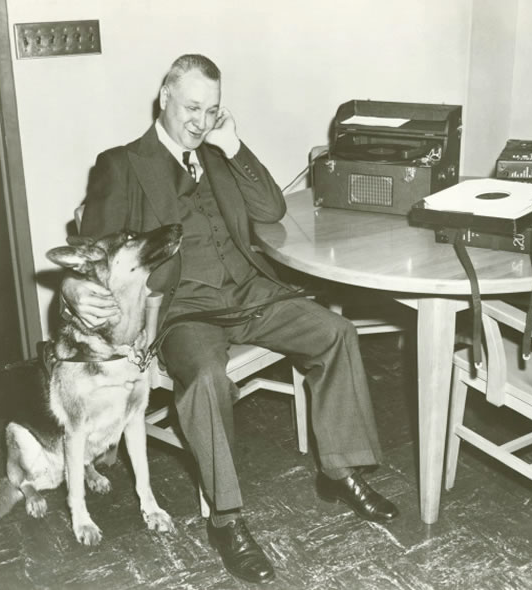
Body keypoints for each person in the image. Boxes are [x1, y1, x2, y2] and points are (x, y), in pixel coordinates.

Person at [62, 54, 398, 584]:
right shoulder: (122, 163)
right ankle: (227, 518)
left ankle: (341, 469)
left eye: (211, 110)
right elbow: (93, 253)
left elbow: (270, 211)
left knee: (336, 333)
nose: (199, 121)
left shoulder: (217, 152)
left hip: (250, 292)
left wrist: (234, 144)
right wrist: (73, 286)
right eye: (191, 108)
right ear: (164, 97)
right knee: (205, 379)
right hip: (187, 310)